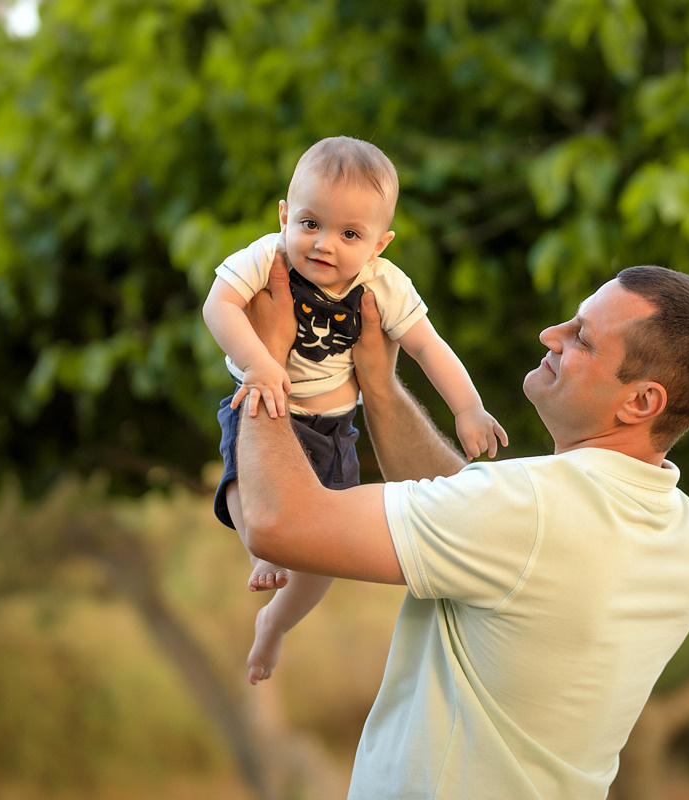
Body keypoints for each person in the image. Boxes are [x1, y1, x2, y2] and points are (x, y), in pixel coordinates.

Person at [236, 260, 689, 799]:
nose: (552, 335)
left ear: (640, 401)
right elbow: (475, 520)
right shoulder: (684, 529)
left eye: (583, 339)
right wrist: (380, 388)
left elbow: (279, 524)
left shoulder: (527, 510)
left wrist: (263, 361)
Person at [203, 136, 507, 684]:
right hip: (264, 399)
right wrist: (258, 362)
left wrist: (468, 408)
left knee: (325, 556)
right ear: (283, 215)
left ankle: (276, 622)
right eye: (309, 223)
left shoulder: (383, 284)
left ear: (379, 244)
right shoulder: (267, 256)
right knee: (241, 484)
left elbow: (427, 347)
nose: (323, 244)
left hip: (334, 427)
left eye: (349, 234)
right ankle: (261, 553)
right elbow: (217, 305)